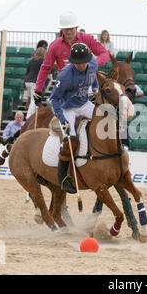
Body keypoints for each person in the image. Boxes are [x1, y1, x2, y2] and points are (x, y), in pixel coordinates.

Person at [50, 43, 99, 194]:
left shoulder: (92, 64)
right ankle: (64, 178)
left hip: (84, 104)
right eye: (79, 63)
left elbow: (94, 77)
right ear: (73, 62)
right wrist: (62, 119)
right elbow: (54, 100)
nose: (83, 65)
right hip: (68, 108)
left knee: (104, 121)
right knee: (70, 141)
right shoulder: (65, 75)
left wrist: (95, 87)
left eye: (84, 61)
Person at [33, 11, 110, 105]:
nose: (68, 31)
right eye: (66, 29)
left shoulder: (87, 39)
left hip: (87, 85)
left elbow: (105, 54)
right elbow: (46, 68)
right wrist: (38, 89)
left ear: (76, 27)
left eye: (71, 28)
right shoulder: (54, 46)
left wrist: (92, 64)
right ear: (62, 29)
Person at [24, 47, 46, 119]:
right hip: (35, 82)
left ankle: (31, 115)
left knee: (31, 100)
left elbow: (27, 71)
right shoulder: (42, 61)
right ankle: (29, 117)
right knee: (33, 101)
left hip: (28, 81)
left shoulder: (31, 61)